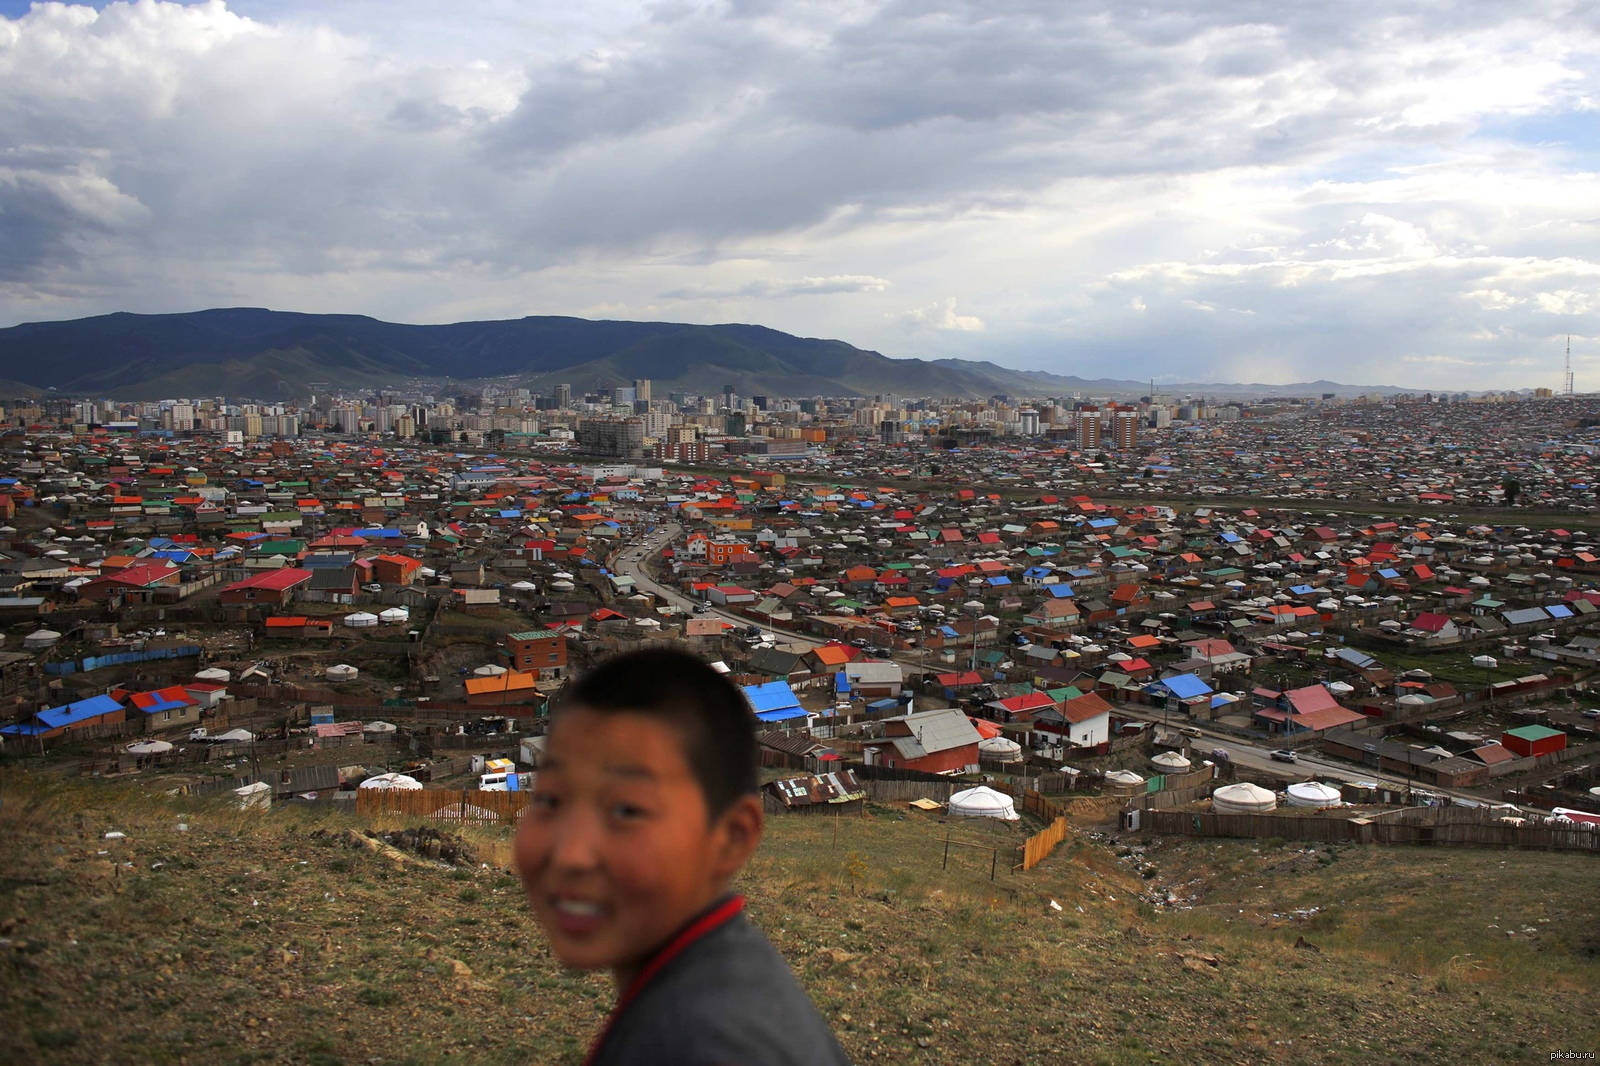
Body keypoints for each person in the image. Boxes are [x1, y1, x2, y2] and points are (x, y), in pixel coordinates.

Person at [514, 648, 851, 1066]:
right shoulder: (710, 991)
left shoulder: (704, 1046)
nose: (571, 855)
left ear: (731, 838)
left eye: (626, 810)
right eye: (549, 800)